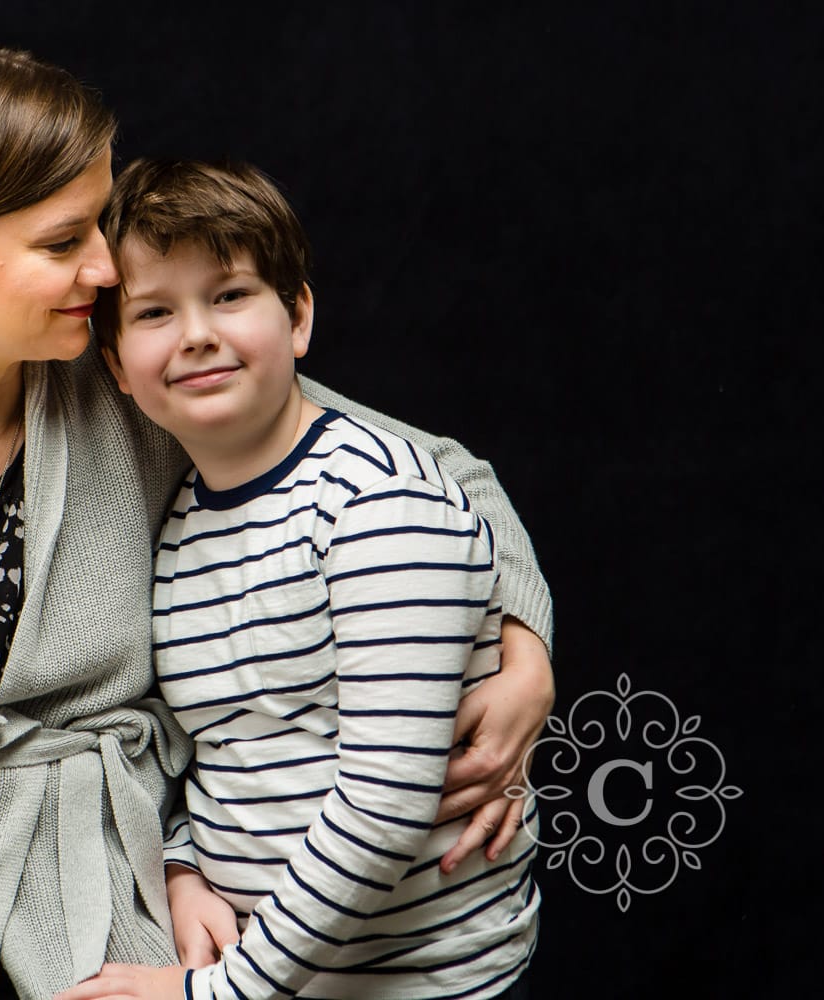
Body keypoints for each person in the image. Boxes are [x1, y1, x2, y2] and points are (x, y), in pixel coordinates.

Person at [0, 44, 554, 1000]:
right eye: (63, 242)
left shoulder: (134, 380)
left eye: (99, 225)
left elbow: (431, 466)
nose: (106, 267)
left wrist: (524, 649)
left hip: (101, 862)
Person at [57, 160, 538, 1000]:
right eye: (156, 312)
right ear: (117, 368)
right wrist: (184, 864)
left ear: (299, 318)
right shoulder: (181, 528)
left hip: (423, 983)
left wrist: (216, 993)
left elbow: (384, 805)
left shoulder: (380, 506)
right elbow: (227, 746)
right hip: (283, 973)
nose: (197, 333)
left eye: (231, 295)